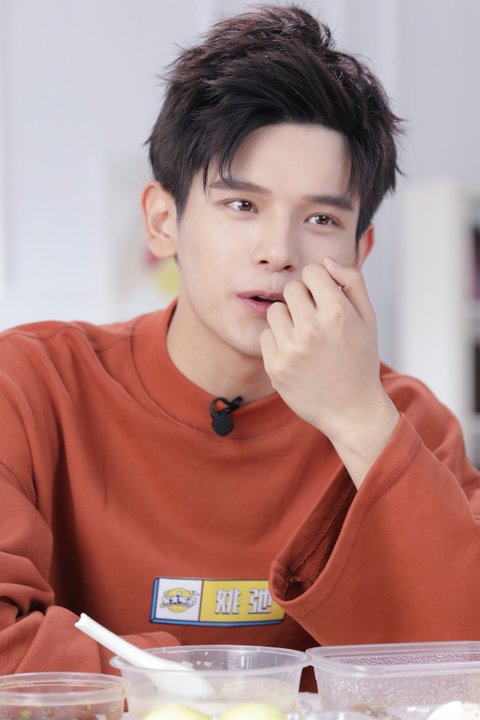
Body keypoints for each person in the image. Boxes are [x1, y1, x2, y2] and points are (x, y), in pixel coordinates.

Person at [1, 3, 479, 683]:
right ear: (163, 221)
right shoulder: (27, 386)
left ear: (359, 251)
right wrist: (198, 682)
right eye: (241, 205)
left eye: (321, 219)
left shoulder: (408, 423)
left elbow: (464, 662)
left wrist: (359, 421)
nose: (278, 251)